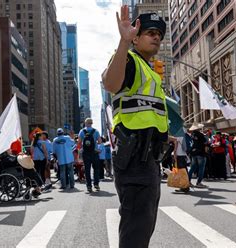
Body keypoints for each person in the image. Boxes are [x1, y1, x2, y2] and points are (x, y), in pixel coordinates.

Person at [102, 6, 168, 247]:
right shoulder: (128, 59)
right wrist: (123, 43)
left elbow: (147, 114)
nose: (156, 38)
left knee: (143, 224)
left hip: (148, 158)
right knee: (136, 228)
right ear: (136, 37)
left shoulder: (152, 73)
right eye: (150, 32)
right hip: (133, 158)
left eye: (159, 35)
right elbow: (111, 84)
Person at [77, 118, 102, 192]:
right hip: (94, 152)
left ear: (85, 123)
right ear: (92, 123)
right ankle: (96, 184)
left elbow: (79, 142)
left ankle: (89, 186)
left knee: (87, 170)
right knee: (96, 169)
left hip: (86, 153)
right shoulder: (96, 131)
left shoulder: (82, 131)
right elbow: (100, 141)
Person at [188, 123, 208, 188]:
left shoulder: (192, 135)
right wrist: (205, 136)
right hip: (200, 153)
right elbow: (205, 142)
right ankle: (199, 182)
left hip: (194, 153)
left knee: (193, 167)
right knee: (201, 168)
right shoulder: (201, 135)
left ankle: (188, 181)